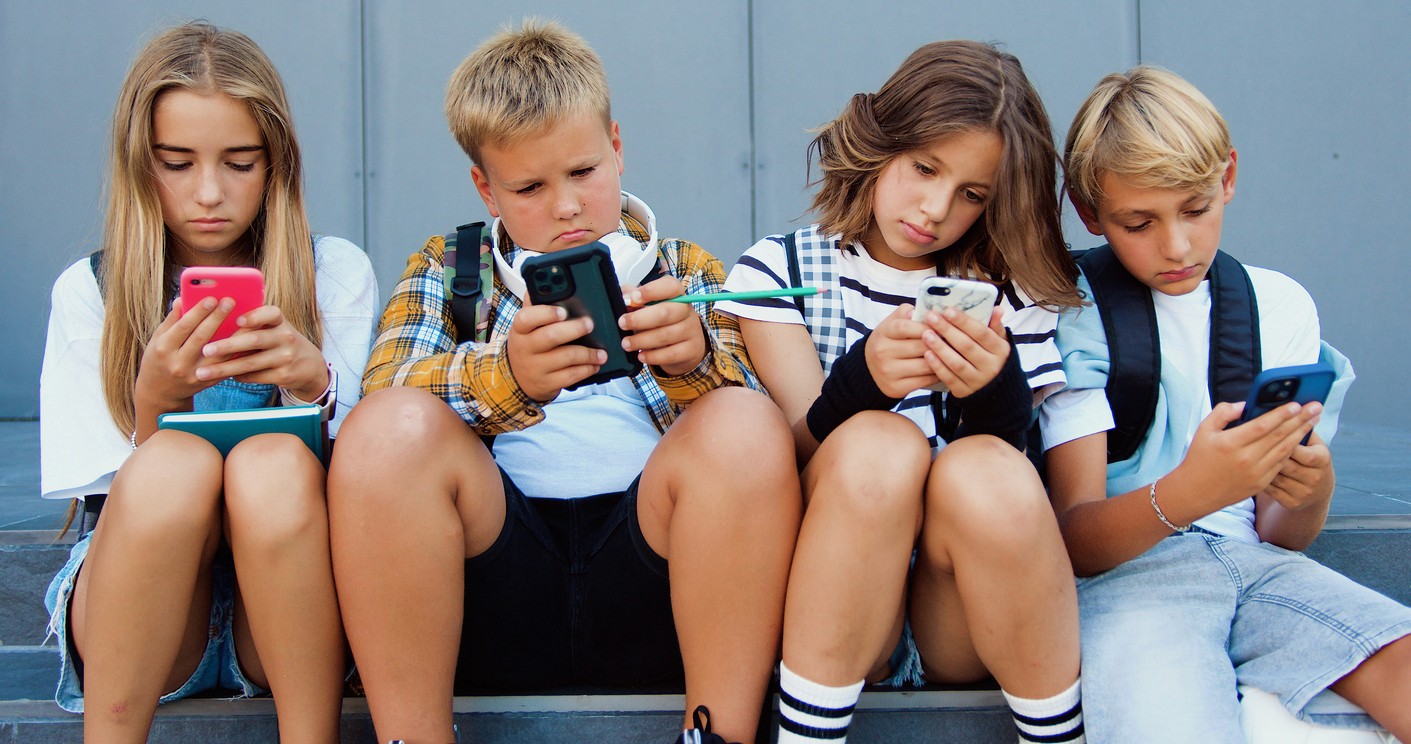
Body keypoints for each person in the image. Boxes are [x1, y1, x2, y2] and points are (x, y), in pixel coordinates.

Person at [325, 19, 799, 744]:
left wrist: (693, 361)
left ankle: (718, 735)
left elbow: (761, 455)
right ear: (484, 187)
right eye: (529, 187)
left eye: (583, 172)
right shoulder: (453, 269)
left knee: (741, 422)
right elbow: (384, 400)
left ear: (616, 145)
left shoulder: (684, 268)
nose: (566, 207)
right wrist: (504, 376)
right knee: (387, 428)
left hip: (659, 575)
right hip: (492, 573)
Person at [717, 41, 1086, 744]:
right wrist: (861, 383)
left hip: (964, 613)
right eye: (924, 168)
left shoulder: (1008, 297)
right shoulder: (778, 271)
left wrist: (991, 390)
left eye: (972, 194)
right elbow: (787, 453)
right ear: (879, 142)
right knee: (877, 443)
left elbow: (1009, 484)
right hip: (838, 600)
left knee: (986, 466)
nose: (935, 208)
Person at [1041, 65, 1411, 741]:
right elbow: (1073, 542)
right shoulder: (1069, 314)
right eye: (1137, 222)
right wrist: (1189, 490)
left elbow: (1282, 535)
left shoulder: (1277, 304)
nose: (1176, 246)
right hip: (1128, 583)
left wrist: (1308, 489)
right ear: (1088, 211)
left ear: (1228, 178)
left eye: (1194, 209)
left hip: (1259, 569)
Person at [37, 21, 378, 744]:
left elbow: (370, 484)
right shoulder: (91, 290)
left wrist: (312, 385)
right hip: (147, 621)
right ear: (140, 162)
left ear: (277, 163)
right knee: (174, 464)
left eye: (240, 163)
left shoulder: (333, 273)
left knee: (272, 462)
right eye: (177, 162)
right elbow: (112, 502)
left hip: (285, 615)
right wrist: (157, 402)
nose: (210, 193)